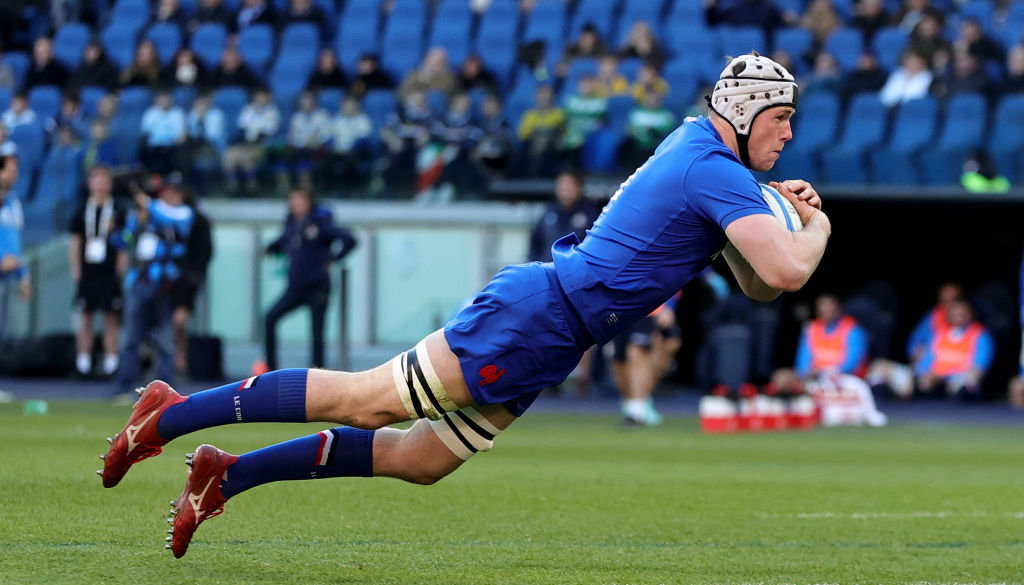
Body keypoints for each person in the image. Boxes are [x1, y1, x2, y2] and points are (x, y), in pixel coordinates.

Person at [98, 52, 830, 559]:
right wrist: (816, 221)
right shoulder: (714, 167)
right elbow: (789, 271)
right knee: (367, 400)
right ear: (745, 112)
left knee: (420, 459)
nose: (789, 134)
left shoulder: (712, 159)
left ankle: (228, 473)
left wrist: (778, 214)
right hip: (540, 315)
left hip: (554, 333)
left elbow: (759, 281)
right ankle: (168, 413)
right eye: (781, 120)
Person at [114, 176, 195, 396]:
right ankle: (125, 384)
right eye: (167, 192)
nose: (170, 196)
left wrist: (146, 204)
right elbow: (125, 240)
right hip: (139, 280)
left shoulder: (182, 213)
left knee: (164, 338)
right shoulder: (147, 212)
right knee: (131, 336)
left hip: (164, 284)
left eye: (175, 192)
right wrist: (137, 222)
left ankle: (166, 387)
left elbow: (172, 221)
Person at [262, 188, 357, 371]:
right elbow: (284, 241)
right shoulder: (291, 223)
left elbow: (349, 239)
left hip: (317, 286)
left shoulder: (320, 223)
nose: (297, 204)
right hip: (295, 287)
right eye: (293, 200)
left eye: (300, 200)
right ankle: (270, 366)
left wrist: (334, 259)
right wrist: (270, 248)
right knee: (270, 317)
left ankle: (317, 371)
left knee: (317, 333)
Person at [69, 166, 126, 377]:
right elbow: (75, 243)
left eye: (104, 179)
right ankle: (83, 362)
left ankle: (112, 362)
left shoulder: (118, 211)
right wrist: (76, 272)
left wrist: (121, 267)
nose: (101, 183)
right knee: (85, 317)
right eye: (97, 179)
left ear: (110, 184)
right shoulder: (81, 211)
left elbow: (126, 241)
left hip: (109, 273)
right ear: (90, 183)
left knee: (111, 317)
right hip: (88, 273)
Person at [611, 295, 681, 426]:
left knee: (638, 351)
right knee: (619, 361)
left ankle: (638, 407)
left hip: (648, 306)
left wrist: (668, 306)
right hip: (618, 308)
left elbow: (672, 276)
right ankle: (633, 403)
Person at [914, 298, 994, 400]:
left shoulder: (980, 335)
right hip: (937, 381)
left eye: (962, 314)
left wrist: (950, 377)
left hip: (960, 381)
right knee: (922, 383)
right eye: (955, 314)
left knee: (966, 384)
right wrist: (929, 375)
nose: (958, 317)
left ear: (969, 314)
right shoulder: (939, 333)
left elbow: (979, 368)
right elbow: (927, 361)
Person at [171, 187, 213, 376]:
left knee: (178, 321)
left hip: (186, 279)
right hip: (164, 277)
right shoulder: (164, 218)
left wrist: (195, 275)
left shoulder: (197, 220)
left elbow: (206, 251)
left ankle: (180, 360)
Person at [0, 155, 28, 342]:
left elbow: (16, 241)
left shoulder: (14, 200)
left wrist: (25, 276)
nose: (14, 174)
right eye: (10, 170)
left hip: (8, 276)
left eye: (16, 170)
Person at [139, 91, 187, 175]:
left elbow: (181, 135)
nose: (165, 101)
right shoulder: (150, 113)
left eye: (167, 98)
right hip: (154, 149)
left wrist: (173, 143)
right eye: (162, 99)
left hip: (172, 148)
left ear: (171, 99)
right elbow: (145, 133)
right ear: (157, 100)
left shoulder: (178, 113)